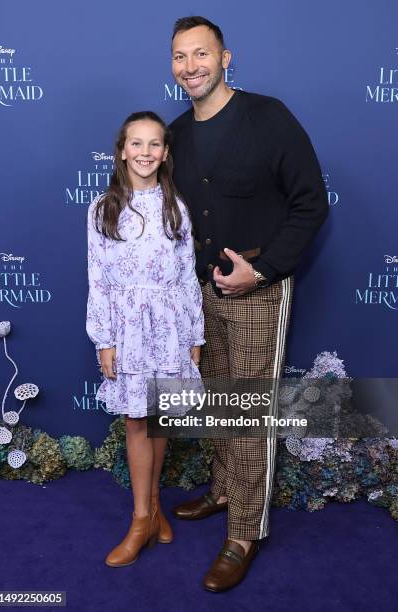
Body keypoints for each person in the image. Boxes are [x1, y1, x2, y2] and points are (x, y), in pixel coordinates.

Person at [169, 16, 329, 592]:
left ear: (226, 57)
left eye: (202, 55)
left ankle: (245, 531)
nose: (192, 67)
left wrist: (261, 269)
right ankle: (223, 491)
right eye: (181, 57)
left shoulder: (268, 117)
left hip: (261, 289)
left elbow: (311, 203)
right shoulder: (176, 134)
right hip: (202, 295)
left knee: (251, 409)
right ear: (173, 67)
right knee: (218, 401)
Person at [86, 111, 205, 567]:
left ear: (165, 153)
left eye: (154, 144)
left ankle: (154, 509)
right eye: (136, 144)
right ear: (122, 150)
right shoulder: (103, 208)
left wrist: (194, 333)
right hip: (128, 329)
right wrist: (105, 339)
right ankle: (139, 520)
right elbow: (98, 279)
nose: (145, 153)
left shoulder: (176, 207)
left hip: (171, 328)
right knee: (137, 420)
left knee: (159, 419)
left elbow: (187, 279)